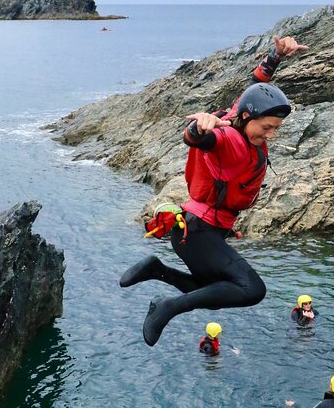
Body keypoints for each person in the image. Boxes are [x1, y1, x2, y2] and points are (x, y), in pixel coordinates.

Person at [120, 35, 309, 346]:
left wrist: (276, 56)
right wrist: (200, 128)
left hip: (197, 230)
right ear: (248, 118)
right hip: (198, 232)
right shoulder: (233, 142)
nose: (272, 135)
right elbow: (203, 140)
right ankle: (166, 307)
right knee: (252, 290)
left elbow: (255, 84)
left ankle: (156, 270)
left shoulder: (238, 118)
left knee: (215, 291)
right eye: (267, 128)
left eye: (276, 128)